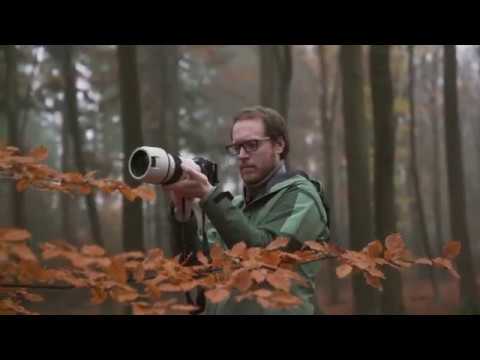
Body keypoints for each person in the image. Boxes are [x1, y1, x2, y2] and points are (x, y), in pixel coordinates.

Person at [164, 106, 330, 315]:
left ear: (279, 145)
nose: (242, 155)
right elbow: (198, 267)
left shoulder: (302, 197)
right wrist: (183, 213)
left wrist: (208, 195)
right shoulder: (235, 207)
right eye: (237, 147)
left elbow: (263, 256)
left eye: (252, 145)